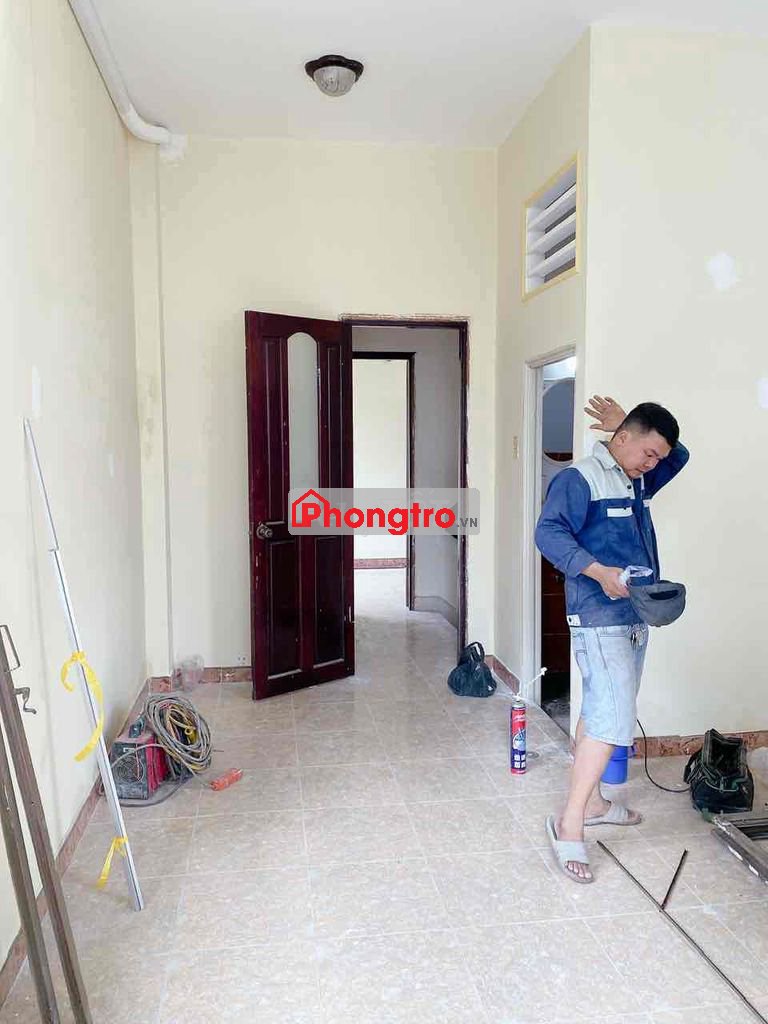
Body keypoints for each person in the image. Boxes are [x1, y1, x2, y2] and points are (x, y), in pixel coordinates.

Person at [535, 395, 689, 883]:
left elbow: (679, 457)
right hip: (599, 614)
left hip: (634, 612)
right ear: (621, 440)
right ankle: (570, 824)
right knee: (612, 718)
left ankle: (596, 803)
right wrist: (599, 572)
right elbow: (548, 533)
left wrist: (636, 431)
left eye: (657, 458)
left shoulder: (634, 477)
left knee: (600, 709)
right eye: (648, 453)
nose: (653, 464)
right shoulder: (580, 479)